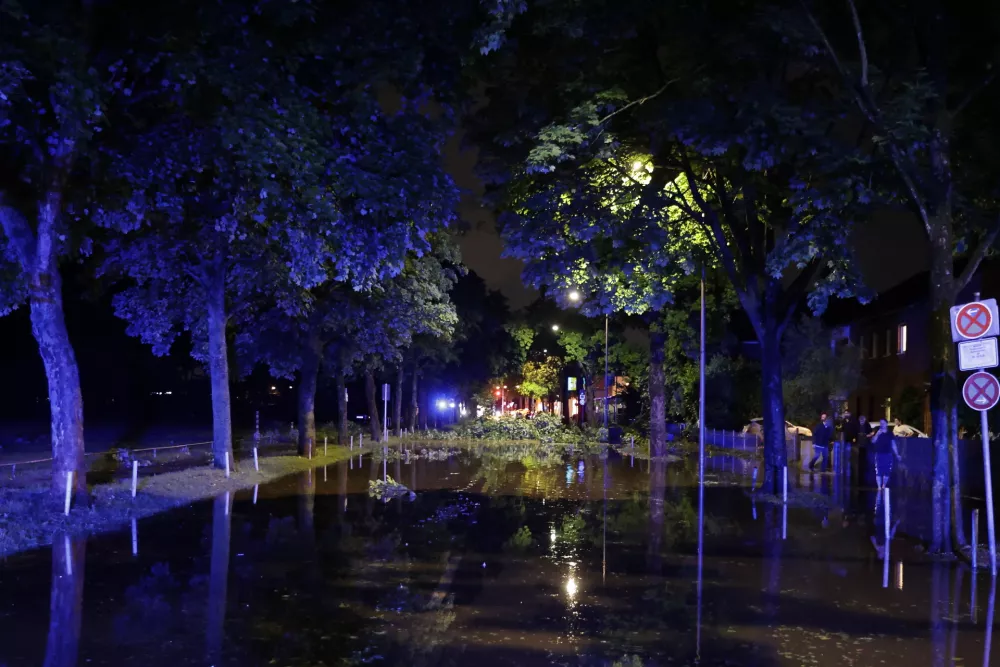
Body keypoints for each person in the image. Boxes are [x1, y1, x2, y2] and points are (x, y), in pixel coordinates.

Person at [872, 418, 902, 490]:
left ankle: (884, 485)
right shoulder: (878, 432)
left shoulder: (890, 433)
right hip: (879, 454)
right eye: (880, 423)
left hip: (888, 454)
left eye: (883, 423)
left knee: (887, 471)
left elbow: (893, 444)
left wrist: (897, 454)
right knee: (878, 471)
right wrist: (877, 434)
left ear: (886, 424)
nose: (882, 425)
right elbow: (873, 441)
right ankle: (879, 487)